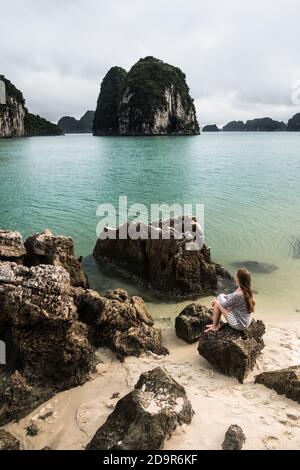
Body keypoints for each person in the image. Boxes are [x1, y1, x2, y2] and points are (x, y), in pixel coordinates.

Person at [205, 268, 255, 333]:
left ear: (238, 279)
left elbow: (224, 304)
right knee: (220, 301)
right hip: (245, 322)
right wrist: (220, 297)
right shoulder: (246, 291)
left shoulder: (238, 295)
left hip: (239, 324)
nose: (234, 276)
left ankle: (215, 327)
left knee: (217, 304)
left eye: (236, 275)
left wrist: (219, 296)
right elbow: (229, 297)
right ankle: (216, 324)